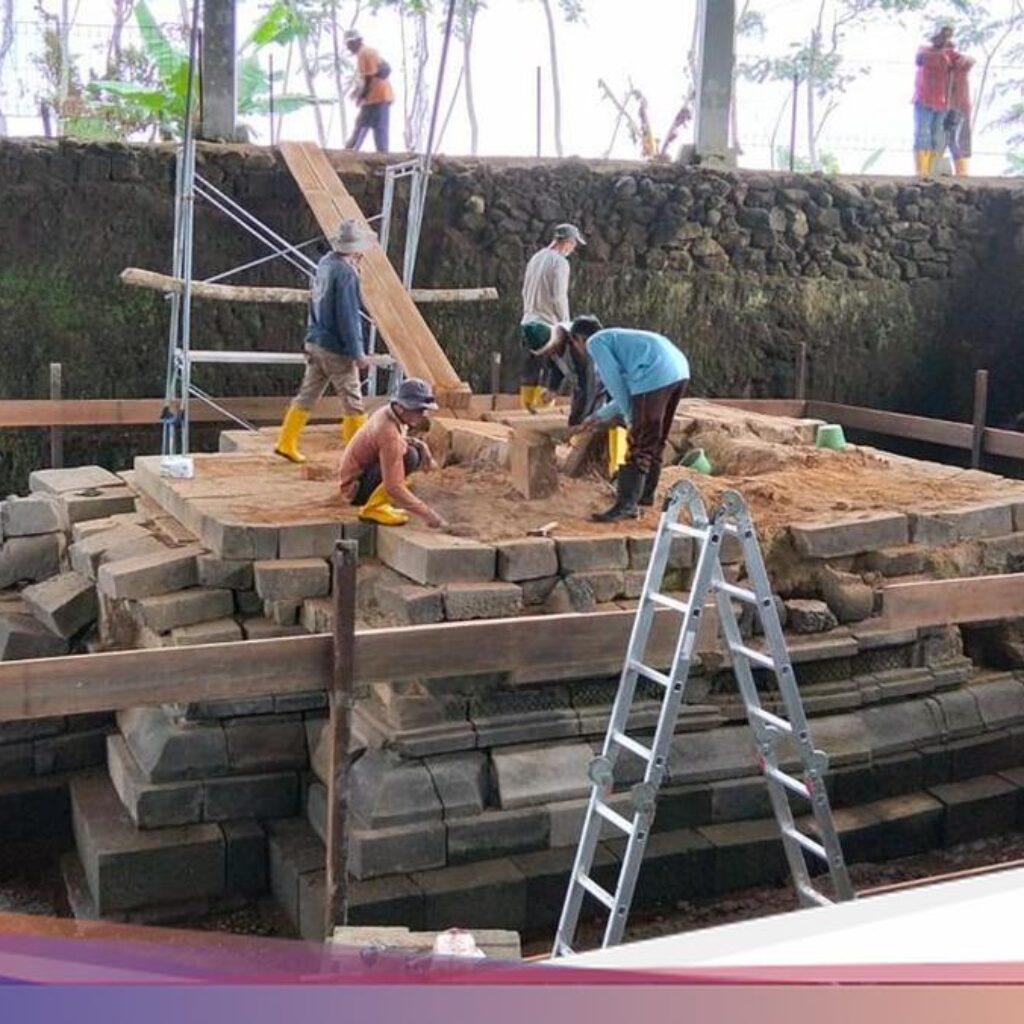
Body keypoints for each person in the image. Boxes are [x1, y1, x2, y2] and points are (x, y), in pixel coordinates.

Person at [567, 317, 690, 523]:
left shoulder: (595, 342)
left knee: (639, 440)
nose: (578, 350)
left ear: (578, 338)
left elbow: (613, 382)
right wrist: (597, 417)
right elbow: (626, 391)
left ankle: (626, 505)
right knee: (655, 438)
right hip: (678, 371)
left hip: (655, 372)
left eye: (574, 344)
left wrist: (630, 417)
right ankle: (644, 496)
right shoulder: (619, 341)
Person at [275, 219, 372, 465]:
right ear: (357, 248)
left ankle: (286, 442)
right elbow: (348, 317)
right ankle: (358, 458)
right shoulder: (347, 273)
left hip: (316, 341)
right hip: (335, 348)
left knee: (308, 393)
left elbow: (315, 302)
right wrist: (358, 352)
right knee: (353, 401)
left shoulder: (325, 263)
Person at [338, 377, 448, 528]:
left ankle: (379, 503)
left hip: (358, 476)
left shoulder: (391, 412)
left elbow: (402, 440)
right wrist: (430, 516)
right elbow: (393, 487)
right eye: (419, 410)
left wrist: (423, 447)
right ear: (402, 407)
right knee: (410, 457)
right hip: (355, 489)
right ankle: (372, 508)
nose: (423, 414)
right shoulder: (388, 433)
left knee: (412, 452)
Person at [519, 223, 585, 412]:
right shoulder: (560, 262)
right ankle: (542, 413)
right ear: (568, 242)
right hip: (547, 326)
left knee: (530, 370)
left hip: (527, 322)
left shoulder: (536, 257)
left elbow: (525, 290)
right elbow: (558, 296)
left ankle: (525, 411)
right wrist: (567, 324)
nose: (572, 249)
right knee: (556, 373)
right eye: (573, 245)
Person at [913, 25, 956, 177]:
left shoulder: (949, 55)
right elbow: (919, 61)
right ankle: (922, 170)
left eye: (946, 36)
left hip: (941, 101)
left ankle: (931, 169)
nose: (943, 39)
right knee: (922, 133)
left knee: (937, 134)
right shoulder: (924, 51)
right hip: (924, 98)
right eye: (941, 36)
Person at [344, 28, 394, 154]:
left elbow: (369, 78)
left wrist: (362, 96)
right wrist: (358, 92)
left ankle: (350, 151)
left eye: (349, 44)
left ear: (356, 42)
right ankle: (380, 154)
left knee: (366, 126)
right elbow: (372, 75)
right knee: (375, 128)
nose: (348, 48)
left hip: (377, 96)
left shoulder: (363, 53)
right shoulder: (369, 52)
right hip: (379, 96)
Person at [945, 48, 975, 177]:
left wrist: (959, 60)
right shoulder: (946, 71)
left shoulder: (960, 68)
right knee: (949, 140)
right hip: (949, 108)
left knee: (955, 140)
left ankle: (962, 170)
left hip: (958, 107)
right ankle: (960, 170)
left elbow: (970, 60)